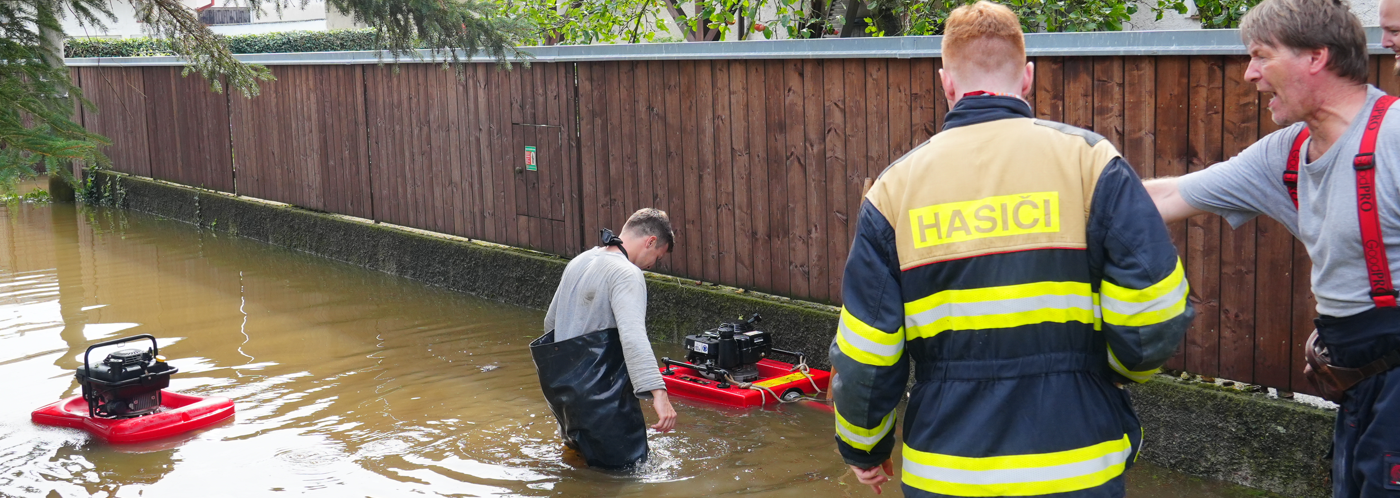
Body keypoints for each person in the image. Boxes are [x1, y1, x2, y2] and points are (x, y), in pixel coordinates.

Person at [830, 2, 1194, 496]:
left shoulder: (894, 192)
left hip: (948, 473)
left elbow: (866, 353)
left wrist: (864, 449)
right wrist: (1107, 374)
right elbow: (1154, 311)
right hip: (1079, 464)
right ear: (1027, 77)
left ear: (947, 83)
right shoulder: (1091, 163)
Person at [1143, 0, 1400, 495]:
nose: (1249, 75)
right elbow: (1166, 195)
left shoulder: (1392, 138)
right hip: (1355, 387)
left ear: (1315, 57)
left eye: (1261, 56)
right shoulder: (1284, 154)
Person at [529, 208, 678, 470]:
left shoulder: (581, 260)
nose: (654, 264)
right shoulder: (627, 273)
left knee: (579, 465)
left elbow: (550, 324)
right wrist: (659, 393)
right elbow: (634, 337)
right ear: (650, 241)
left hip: (562, 393)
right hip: (601, 398)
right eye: (658, 256)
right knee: (627, 473)